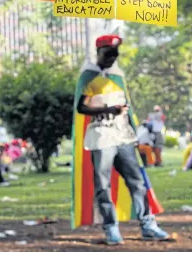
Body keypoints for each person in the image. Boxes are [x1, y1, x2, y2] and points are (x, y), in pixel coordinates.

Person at [74, 35, 168, 244]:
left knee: (137, 181)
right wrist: (108, 109)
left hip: (122, 136)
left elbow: (128, 105)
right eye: (108, 54)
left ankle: (148, 224)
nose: (112, 59)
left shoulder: (117, 74)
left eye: (115, 55)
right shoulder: (88, 75)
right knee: (103, 185)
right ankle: (111, 228)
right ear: (99, 52)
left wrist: (134, 133)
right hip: (101, 136)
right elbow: (81, 107)